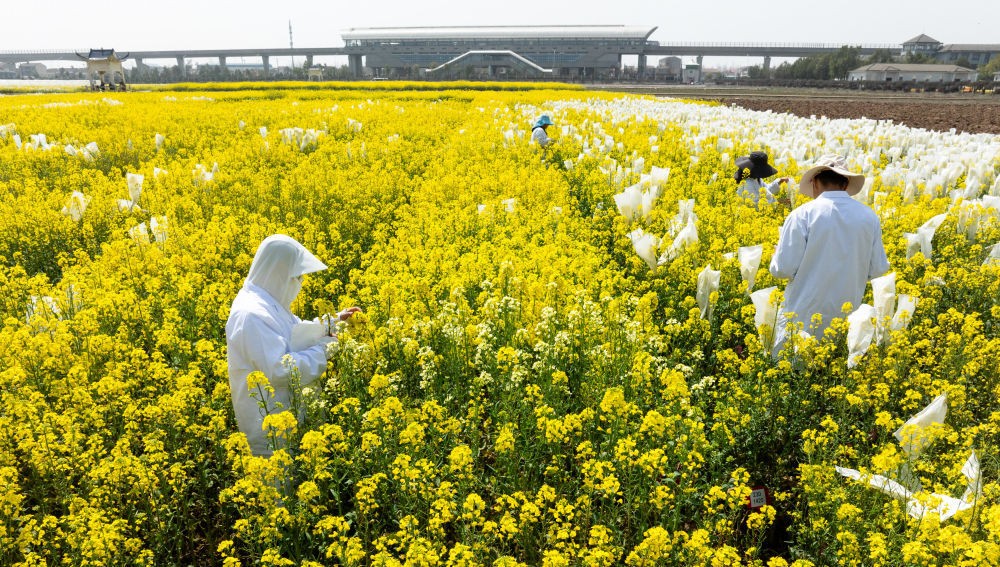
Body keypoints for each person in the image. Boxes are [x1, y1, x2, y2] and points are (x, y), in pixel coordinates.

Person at [226, 234, 360, 456]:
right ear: (278, 273)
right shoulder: (251, 314)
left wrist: (334, 320)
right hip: (270, 434)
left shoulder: (267, 302)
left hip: (289, 419)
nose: (300, 283)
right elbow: (279, 370)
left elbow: (293, 332)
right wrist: (324, 350)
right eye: (296, 277)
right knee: (279, 486)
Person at [768, 155, 889, 355]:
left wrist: (776, 254)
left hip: (802, 320)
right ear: (846, 183)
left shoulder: (802, 215)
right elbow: (877, 269)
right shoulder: (869, 217)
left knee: (795, 376)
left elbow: (782, 269)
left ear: (814, 182)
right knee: (835, 374)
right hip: (846, 323)